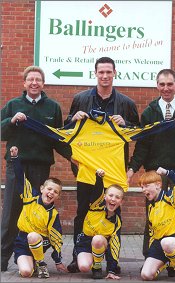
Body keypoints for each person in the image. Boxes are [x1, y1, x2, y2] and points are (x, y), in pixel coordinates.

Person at [64, 56, 139, 272]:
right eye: (101, 72)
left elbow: (138, 133)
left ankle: (112, 262)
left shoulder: (126, 103)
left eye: (109, 72)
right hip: (87, 170)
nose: (105, 76)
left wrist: (126, 124)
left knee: (113, 213)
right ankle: (77, 254)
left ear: (115, 73)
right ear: (95, 73)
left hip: (114, 171)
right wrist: (72, 118)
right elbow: (67, 133)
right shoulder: (80, 98)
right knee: (83, 212)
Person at [127, 69, 175, 278]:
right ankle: (153, 258)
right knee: (153, 219)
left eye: (170, 84)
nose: (166, 88)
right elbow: (143, 144)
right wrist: (132, 168)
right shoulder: (150, 112)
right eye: (162, 84)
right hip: (155, 177)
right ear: (157, 86)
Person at [1, 65, 71, 271]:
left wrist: (73, 158)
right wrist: (11, 121)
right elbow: (1, 131)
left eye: (38, 80)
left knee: (38, 212)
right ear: (24, 83)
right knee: (12, 211)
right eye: (30, 79)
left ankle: (32, 255)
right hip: (17, 166)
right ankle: (3, 257)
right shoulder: (13, 105)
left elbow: (58, 138)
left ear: (43, 83)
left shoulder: (53, 108)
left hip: (41, 167)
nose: (34, 83)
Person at [9, 146, 68, 278]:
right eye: (49, 189)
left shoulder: (53, 214)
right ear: (42, 189)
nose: (51, 192)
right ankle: (32, 263)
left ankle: (41, 263)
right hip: (22, 243)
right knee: (26, 273)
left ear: (58, 196)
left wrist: (58, 261)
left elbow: (56, 238)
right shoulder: (30, 197)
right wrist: (15, 158)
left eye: (55, 192)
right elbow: (21, 177)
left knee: (33, 236)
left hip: (39, 242)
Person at [138, 167, 175, 282]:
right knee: (146, 275)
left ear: (158, 185)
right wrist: (150, 256)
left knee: (167, 242)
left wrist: (167, 173)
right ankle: (168, 263)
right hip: (159, 243)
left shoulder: (169, 197)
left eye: (146, 186)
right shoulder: (151, 207)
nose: (143, 190)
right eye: (142, 187)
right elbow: (152, 235)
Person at [76, 168, 124, 280]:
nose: (113, 199)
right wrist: (99, 178)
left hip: (102, 244)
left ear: (121, 202)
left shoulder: (117, 221)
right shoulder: (95, 207)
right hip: (86, 242)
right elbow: (98, 191)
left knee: (97, 239)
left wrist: (112, 269)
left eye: (117, 197)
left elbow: (116, 244)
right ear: (104, 197)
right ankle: (93, 259)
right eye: (111, 195)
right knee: (83, 267)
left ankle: (97, 267)